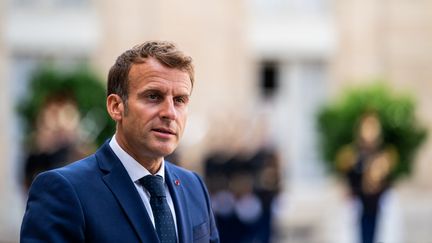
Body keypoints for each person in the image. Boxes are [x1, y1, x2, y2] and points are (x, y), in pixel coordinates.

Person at [21, 41, 220, 243]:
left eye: (179, 100)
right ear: (116, 106)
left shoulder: (194, 186)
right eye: (153, 96)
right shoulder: (63, 190)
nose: (169, 113)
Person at [336, 111, 397, 243]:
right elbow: (349, 178)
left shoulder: (384, 156)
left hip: (377, 205)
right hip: (359, 205)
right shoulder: (352, 155)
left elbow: (388, 181)